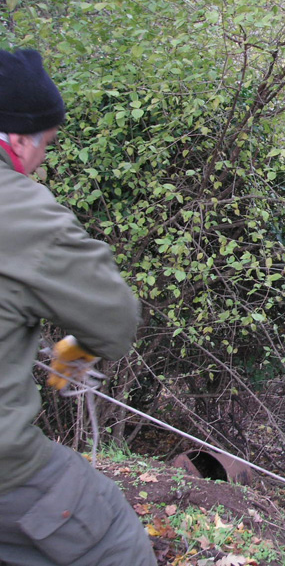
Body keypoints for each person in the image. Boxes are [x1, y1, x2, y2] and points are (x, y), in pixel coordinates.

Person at [0, 49, 156, 565]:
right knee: (115, 536)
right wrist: (68, 365)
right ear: (20, 137)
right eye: (46, 142)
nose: (44, 156)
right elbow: (112, 318)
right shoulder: (20, 209)